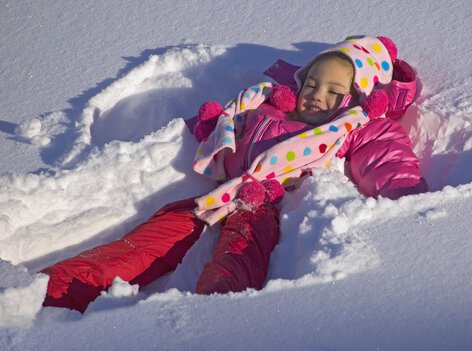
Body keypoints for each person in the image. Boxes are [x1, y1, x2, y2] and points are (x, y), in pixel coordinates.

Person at [40, 35, 428, 313]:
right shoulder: (264, 106)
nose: (316, 93)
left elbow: (387, 158)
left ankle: (214, 321)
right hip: (217, 194)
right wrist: (214, 126)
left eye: (331, 90)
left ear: (356, 98)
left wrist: (408, 202)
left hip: (262, 207)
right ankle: (52, 288)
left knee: (237, 261)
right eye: (311, 82)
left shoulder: (351, 127)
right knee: (145, 242)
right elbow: (220, 127)